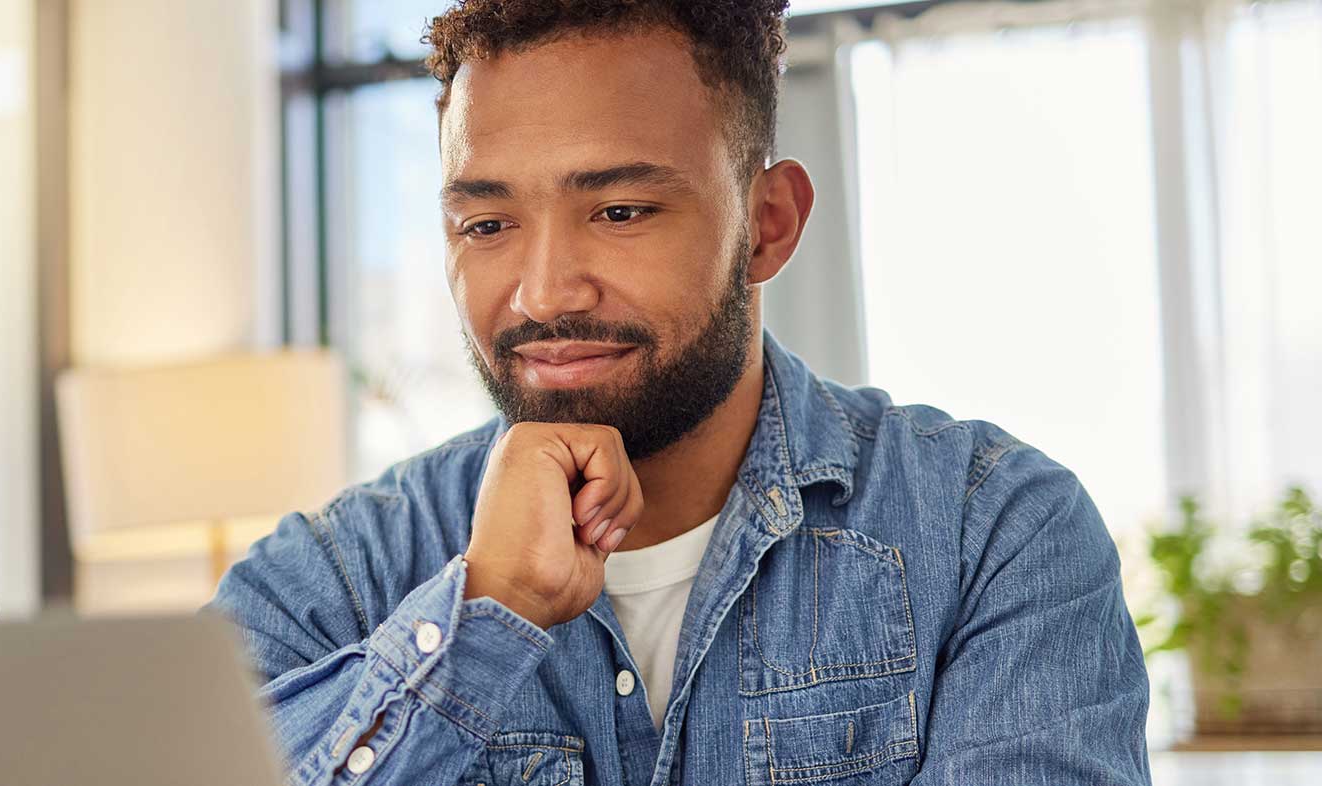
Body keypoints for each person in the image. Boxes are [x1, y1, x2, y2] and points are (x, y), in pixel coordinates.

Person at [209, 1, 1151, 783]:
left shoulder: (992, 534)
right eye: (487, 222)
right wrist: (479, 618)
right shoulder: (331, 581)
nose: (543, 292)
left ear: (768, 225)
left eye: (619, 212)